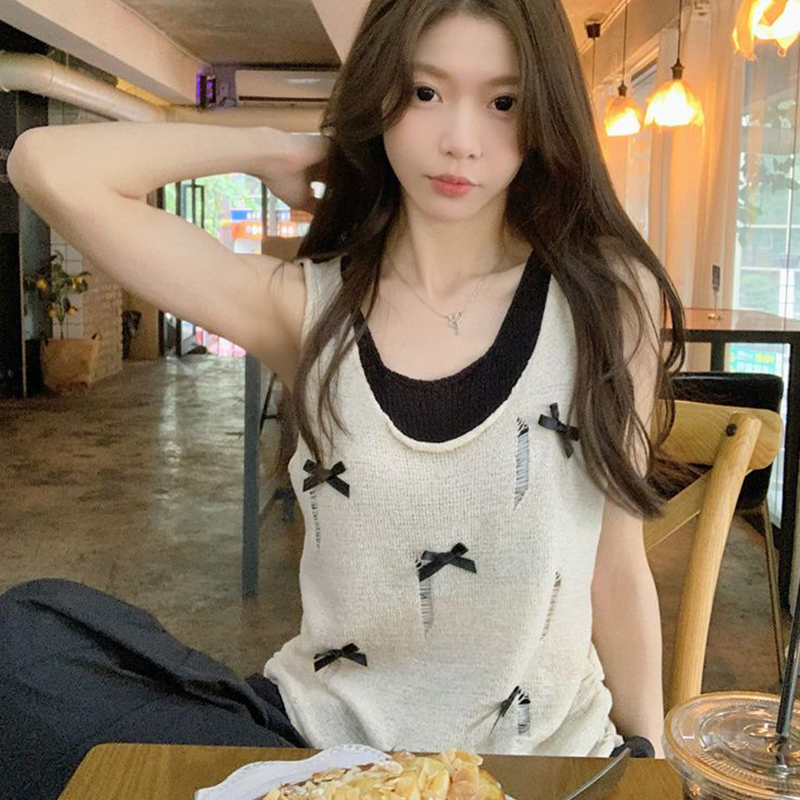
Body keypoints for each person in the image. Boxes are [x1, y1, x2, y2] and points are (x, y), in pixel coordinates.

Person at [3, 0, 686, 797]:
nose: (461, 139)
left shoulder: (609, 303)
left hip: (542, 762)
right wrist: (270, 147)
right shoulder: (304, 306)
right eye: (425, 92)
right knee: (24, 647)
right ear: (380, 98)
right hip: (332, 751)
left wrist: (652, 764)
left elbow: (615, 566)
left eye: (504, 102)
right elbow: (45, 165)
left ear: (544, 115)